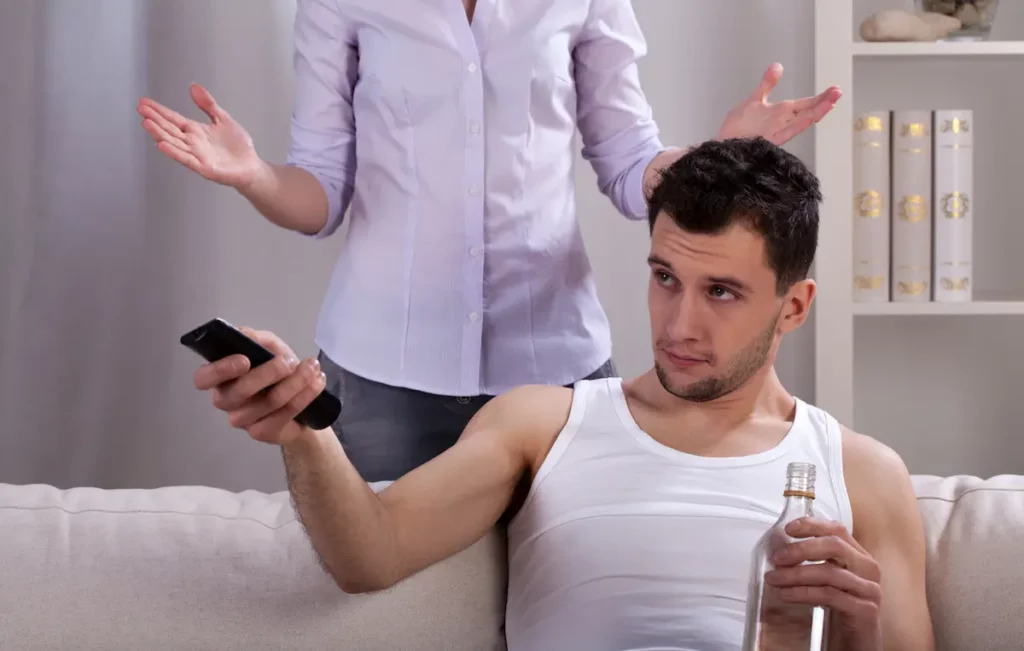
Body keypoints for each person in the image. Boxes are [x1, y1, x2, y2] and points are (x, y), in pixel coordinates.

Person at [191, 138, 934, 650]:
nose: (679, 323)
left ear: (794, 307)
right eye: (665, 277)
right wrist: (303, 428)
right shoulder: (545, 422)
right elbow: (371, 554)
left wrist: (854, 638)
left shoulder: (862, 475)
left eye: (723, 293)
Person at [138, 0, 842, 482]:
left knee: (561, 598)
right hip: (384, 374)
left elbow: (631, 165)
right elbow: (319, 196)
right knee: (390, 607)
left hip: (553, 365)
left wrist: (713, 159)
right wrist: (253, 174)